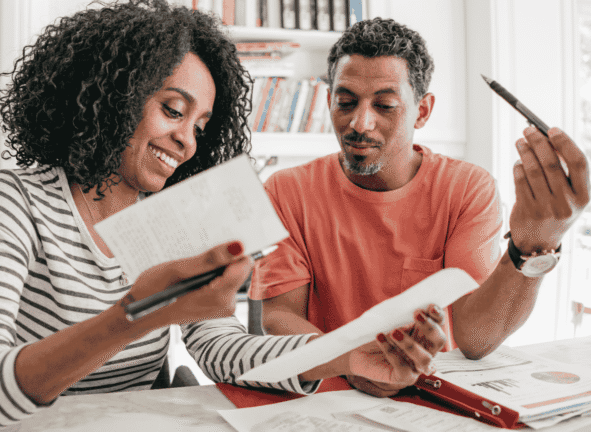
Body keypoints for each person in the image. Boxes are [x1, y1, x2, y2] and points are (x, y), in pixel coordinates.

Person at [0, 3, 445, 431]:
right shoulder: (17, 201)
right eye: (173, 110)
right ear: (111, 95)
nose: (187, 141)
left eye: (201, 126)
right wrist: (136, 315)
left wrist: (346, 355)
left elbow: (222, 348)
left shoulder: (175, 218)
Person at [251, 17, 591, 398]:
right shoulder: (286, 189)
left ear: (423, 111)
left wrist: (531, 246)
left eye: (385, 105)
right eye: (345, 102)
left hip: (430, 396)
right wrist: (349, 362)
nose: (360, 123)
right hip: (326, 395)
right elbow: (280, 315)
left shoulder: (466, 188)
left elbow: (475, 339)